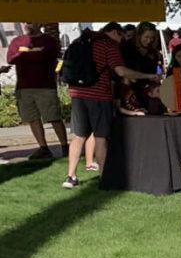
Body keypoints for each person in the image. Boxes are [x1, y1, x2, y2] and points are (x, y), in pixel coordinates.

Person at [64, 23, 160, 189]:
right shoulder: (109, 45)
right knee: (101, 137)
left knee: (79, 135)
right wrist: (149, 75)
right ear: (115, 32)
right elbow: (121, 71)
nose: (122, 40)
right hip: (99, 94)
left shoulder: (80, 40)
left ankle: (70, 176)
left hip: (77, 93)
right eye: (121, 36)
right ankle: (104, 178)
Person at [7, 22, 68, 159]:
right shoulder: (17, 41)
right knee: (32, 118)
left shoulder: (48, 40)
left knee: (54, 117)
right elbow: (11, 58)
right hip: (24, 87)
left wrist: (24, 53)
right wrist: (33, 52)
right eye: (25, 21)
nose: (27, 24)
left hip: (45, 86)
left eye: (30, 21)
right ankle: (43, 148)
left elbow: (44, 56)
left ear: (38, 22)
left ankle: (64, 146)